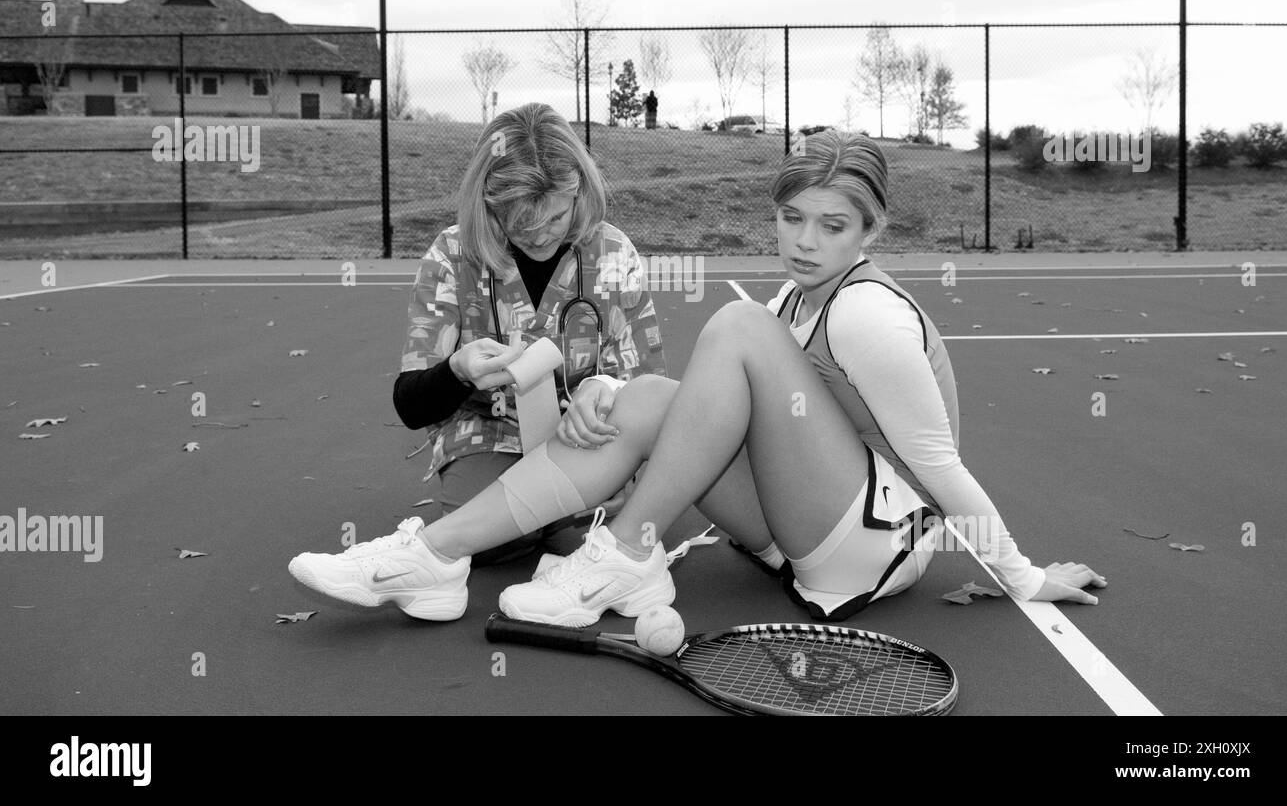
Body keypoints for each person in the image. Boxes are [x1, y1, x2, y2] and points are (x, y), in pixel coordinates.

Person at [291, 131, 1105, 626]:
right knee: (643, 396)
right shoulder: (796, 295)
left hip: (877, 546)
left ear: (872, 229)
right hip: (814, 527)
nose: (805, 241)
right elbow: (719, 419)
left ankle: (627, 549)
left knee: (735, 328)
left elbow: (939, 465)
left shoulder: (865, 315)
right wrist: (606, 397)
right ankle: (433, 559)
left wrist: (1025, 576)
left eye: (833, 226)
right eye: (791, 218)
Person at [288, 102, 666, 619]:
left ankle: (535, 532)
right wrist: (458, 371)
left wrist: (605, 390)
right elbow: (410, 403)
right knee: (487, 536)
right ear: (488, 204)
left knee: (604, 515)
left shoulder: (613, 253)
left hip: (591, 440)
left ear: (579, 187)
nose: (542, 236)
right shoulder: (451, 255)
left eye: (556, 215)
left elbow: (651, 386)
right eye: (520, 223)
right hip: (488, 436)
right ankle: (530, 531)